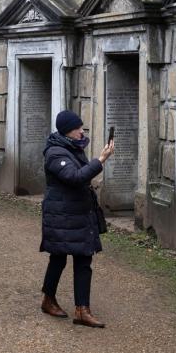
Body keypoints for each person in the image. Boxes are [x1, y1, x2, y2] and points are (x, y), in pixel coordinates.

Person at [39, 109, 115, 328]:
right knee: (59, 258)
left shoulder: (71, 147)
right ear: (67, 131)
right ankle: (48, 299)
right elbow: (74, 177)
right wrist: (101, 159)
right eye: (78, 128)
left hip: (77, 212)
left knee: (83, 259)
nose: (82, 131)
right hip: (62, 214)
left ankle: (82, 310)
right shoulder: (55, 152)